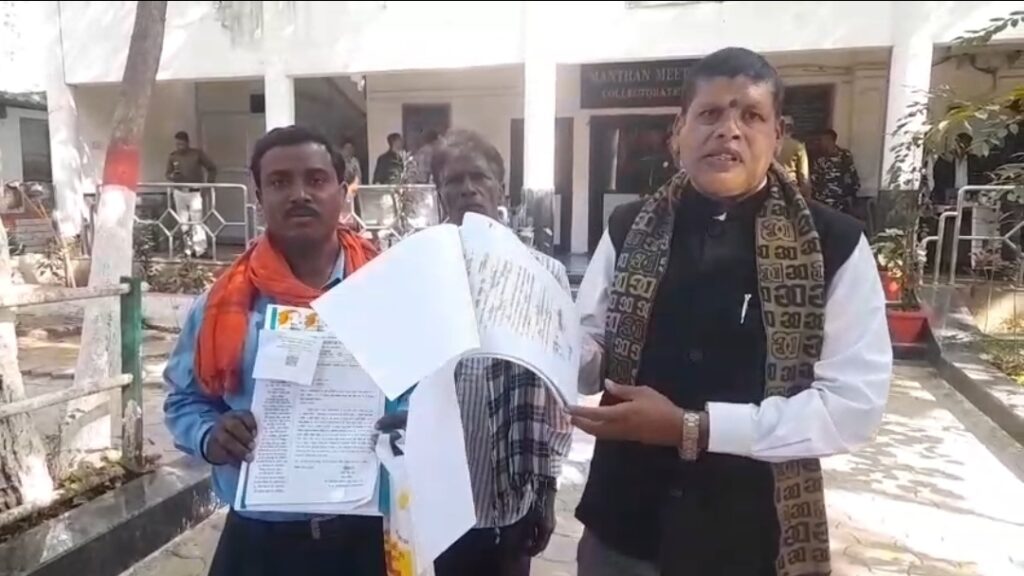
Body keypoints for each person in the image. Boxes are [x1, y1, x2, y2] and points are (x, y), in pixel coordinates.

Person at [570, 47, 892, 576]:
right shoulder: (628, 228)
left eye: (751, 116)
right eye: (710, 114)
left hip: (747, 535)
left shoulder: (835, 244)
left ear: (778, 134)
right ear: (679, 130)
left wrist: (696, 428)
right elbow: (591, 352)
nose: (729, 130)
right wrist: (535, 338)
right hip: (622, 525)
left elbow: (850, 409)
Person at [163, 125, 383, 576]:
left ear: (343, 192)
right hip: (260, 538)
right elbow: (183, 400)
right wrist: (211, 436)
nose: (299, 194)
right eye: (280, 182)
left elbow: (426, 392)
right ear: (259, 197)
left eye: (316, 179)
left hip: (370, 531)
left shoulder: (387, 291)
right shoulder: (222, 304)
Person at [379, 129, 573, 576]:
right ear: (439, 192)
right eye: (454, 180)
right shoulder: (412, 271)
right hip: (429, 497)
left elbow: (556, 401)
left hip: (510, 499)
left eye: (479, 177)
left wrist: (545, 494)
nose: (468, 189)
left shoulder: (543, 275)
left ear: (501, 187)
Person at [166, 131, 218, 257]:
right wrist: (173, 176)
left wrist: (207, 186)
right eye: (177, 144)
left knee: (197, 221)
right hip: (179, 192)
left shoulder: (197, 154)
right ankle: (187, 250)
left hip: (194, 192)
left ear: (187, 142)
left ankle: (201, 250)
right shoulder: (173, 156)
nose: (180, 147)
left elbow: (212, 168)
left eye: (182, 144)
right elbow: (167, 174)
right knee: (183, 222)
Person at [810, 128, 860, 212]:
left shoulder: (844, 156)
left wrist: (851, 194)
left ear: (831, 141)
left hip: (840, 201)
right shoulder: (818, 157)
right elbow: (814, 179)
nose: (821, 143)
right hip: (822, 202)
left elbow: (852, 176)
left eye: (823, 140)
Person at [776, 115, 810, 196]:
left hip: (773, 187)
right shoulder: (798, 146)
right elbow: (804, 175)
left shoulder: (771, 145)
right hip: (791, 188)